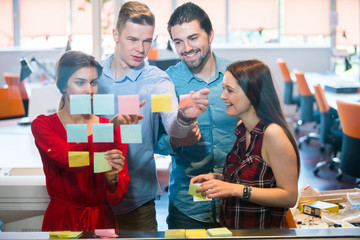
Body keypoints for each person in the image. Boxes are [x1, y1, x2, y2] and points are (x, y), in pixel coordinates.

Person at [98, 1, 210, 231]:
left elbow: (172, 127)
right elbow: (76, 135)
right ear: (116, 35)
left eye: (147, 40)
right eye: (133, 40)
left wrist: (184, 118)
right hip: (93, 200)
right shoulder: (92, 78)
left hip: (138, 204)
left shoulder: (157, 82)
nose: (141, 48)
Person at [155, 2, 239, 229]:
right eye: (178, 42)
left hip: (237, 201)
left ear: (210, 35)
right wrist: (176, 140)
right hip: (188, 203)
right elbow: (155, 141)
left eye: (193, 38)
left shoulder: (237, 75)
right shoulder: (165, 83)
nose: (186, 48)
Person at [191, 60, 300, 229]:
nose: (222, 96)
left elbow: (289, 196)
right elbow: (256, 181)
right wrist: (219, 180)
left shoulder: (273, 134)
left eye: (230, 90)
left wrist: (234, 189)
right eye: (223, 89)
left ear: (252, 94)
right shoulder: (242, 127)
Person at [31, 51, 130, 231]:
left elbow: (116, 199)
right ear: (63, 86)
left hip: (101, 222)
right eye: (80, 82)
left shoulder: (112, 127)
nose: (89, 90)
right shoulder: (43, 125)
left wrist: (112, 177)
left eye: (93, 83)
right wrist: (106, 130)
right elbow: (69, 158)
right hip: (61, 222)